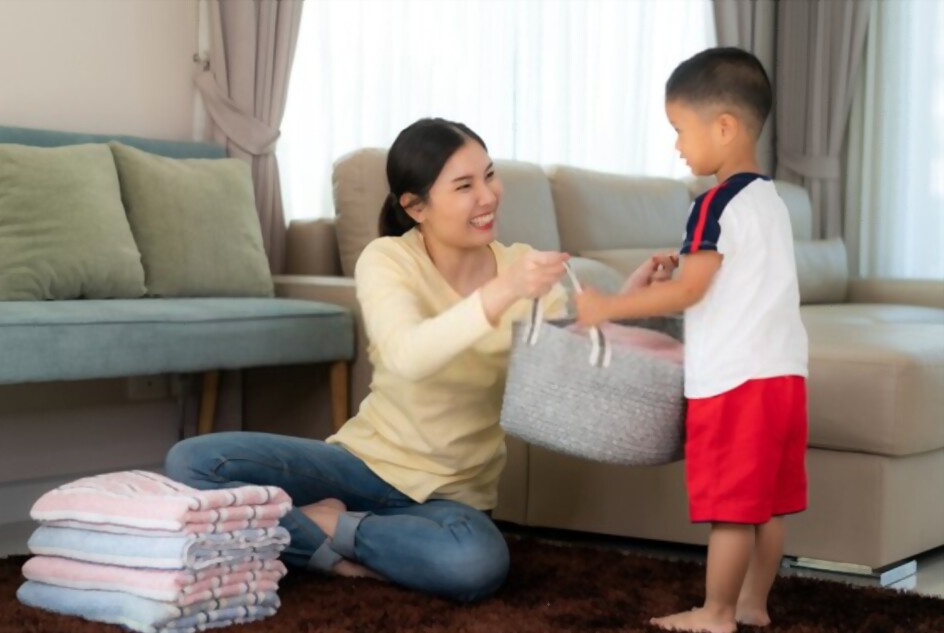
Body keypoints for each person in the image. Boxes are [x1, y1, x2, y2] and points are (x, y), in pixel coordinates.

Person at [166, 117, 666, 603]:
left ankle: (327, 527)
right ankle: (339, 545)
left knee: (475, 563)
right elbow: (407, 356)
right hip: (360, 466)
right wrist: (498, 296)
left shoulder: (520, 267)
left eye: (489, 175)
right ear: (416, 206)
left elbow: (574, 356)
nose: (488, 195)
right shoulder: (388, 259)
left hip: (455, 497)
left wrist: (627, 305)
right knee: (191, 462)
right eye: (464, 185)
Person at [576, 48, 809, 633]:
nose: (677, 146)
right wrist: (675, 272)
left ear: (724, 127)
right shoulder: (769, 201)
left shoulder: (712, 203)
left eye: (680, 130)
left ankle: (717, 612)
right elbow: (732, 281)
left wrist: (611, 304)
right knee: (769, 504)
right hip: (785, 377)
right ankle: (754, 602)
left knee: (731, 509)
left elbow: (691, 293)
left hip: (734, 381)